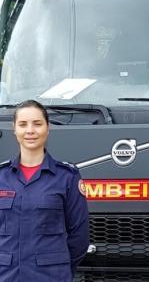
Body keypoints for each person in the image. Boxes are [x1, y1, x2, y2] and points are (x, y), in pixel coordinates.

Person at [0, 100, 89, 281]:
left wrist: (60, 269)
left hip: (51, 276)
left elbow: (79, 238)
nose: (30, 130)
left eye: (37, 124)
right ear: (15, 129)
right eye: (23, 124)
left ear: (48, 128)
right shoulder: (1, 177)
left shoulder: (67, 177)